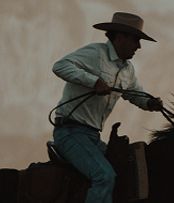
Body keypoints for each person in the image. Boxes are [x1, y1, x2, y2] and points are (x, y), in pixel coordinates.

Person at [50, 11, 164, 203]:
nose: (139, 46)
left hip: (92, 137)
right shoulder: (95, 53)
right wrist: (93, 82)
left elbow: (134, 93)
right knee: (104, 177)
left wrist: (149, 102)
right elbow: (60, 66)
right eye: (136, 39)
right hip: (69, 132)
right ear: (120, 37)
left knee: (127, 171)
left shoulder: (127, 70)